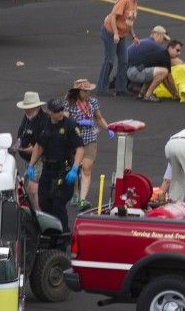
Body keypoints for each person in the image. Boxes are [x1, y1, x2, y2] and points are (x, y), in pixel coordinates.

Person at [26, 99, 84, 231]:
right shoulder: (45, 124)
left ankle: (63, 233)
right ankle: (50, 231)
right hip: (48, 169)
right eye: (57, 111)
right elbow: (39, 146)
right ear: (50, 112)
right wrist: (31, 165)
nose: (61, 113)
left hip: (64, 170)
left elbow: (80, 148)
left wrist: (75, 168)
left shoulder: (69, 124)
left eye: (62, 110)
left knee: (58, 204)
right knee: (44, 202)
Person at [64, 79, 113, 210]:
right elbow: (65, 121)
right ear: (77, 91)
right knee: (75, 167)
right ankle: (75, 192)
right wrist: (79, 122)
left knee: (86, 168)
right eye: (84, 91)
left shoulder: (93, 102)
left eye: (88, 91)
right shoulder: (69, 104)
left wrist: (108, 128)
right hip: (74, 140)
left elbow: (98, 118)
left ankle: (82, 199)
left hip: (90, 139)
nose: (87, 93)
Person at [98, 0, 144, 96]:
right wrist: (115, 34)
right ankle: (101, 89)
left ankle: (121, 88)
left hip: (122, 34)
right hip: (110, 32)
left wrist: (133, 36)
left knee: (124, 61)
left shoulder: (135, 4)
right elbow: (113, 17)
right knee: (109, 60)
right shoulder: (124, 0)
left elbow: (129, 22)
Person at [14, 91, 48, 210]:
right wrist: (16, 147)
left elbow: (39, 147)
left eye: (29, 108)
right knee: (28, 185)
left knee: (33, 187)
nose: (26, 110)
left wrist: (26, 149)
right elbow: (20, 136)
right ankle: (34, 211)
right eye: (25, 108)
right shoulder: (27, 117)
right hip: (29, 160)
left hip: (40, 159)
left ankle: (39, 214)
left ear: (37, 107)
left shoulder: (44, 120)